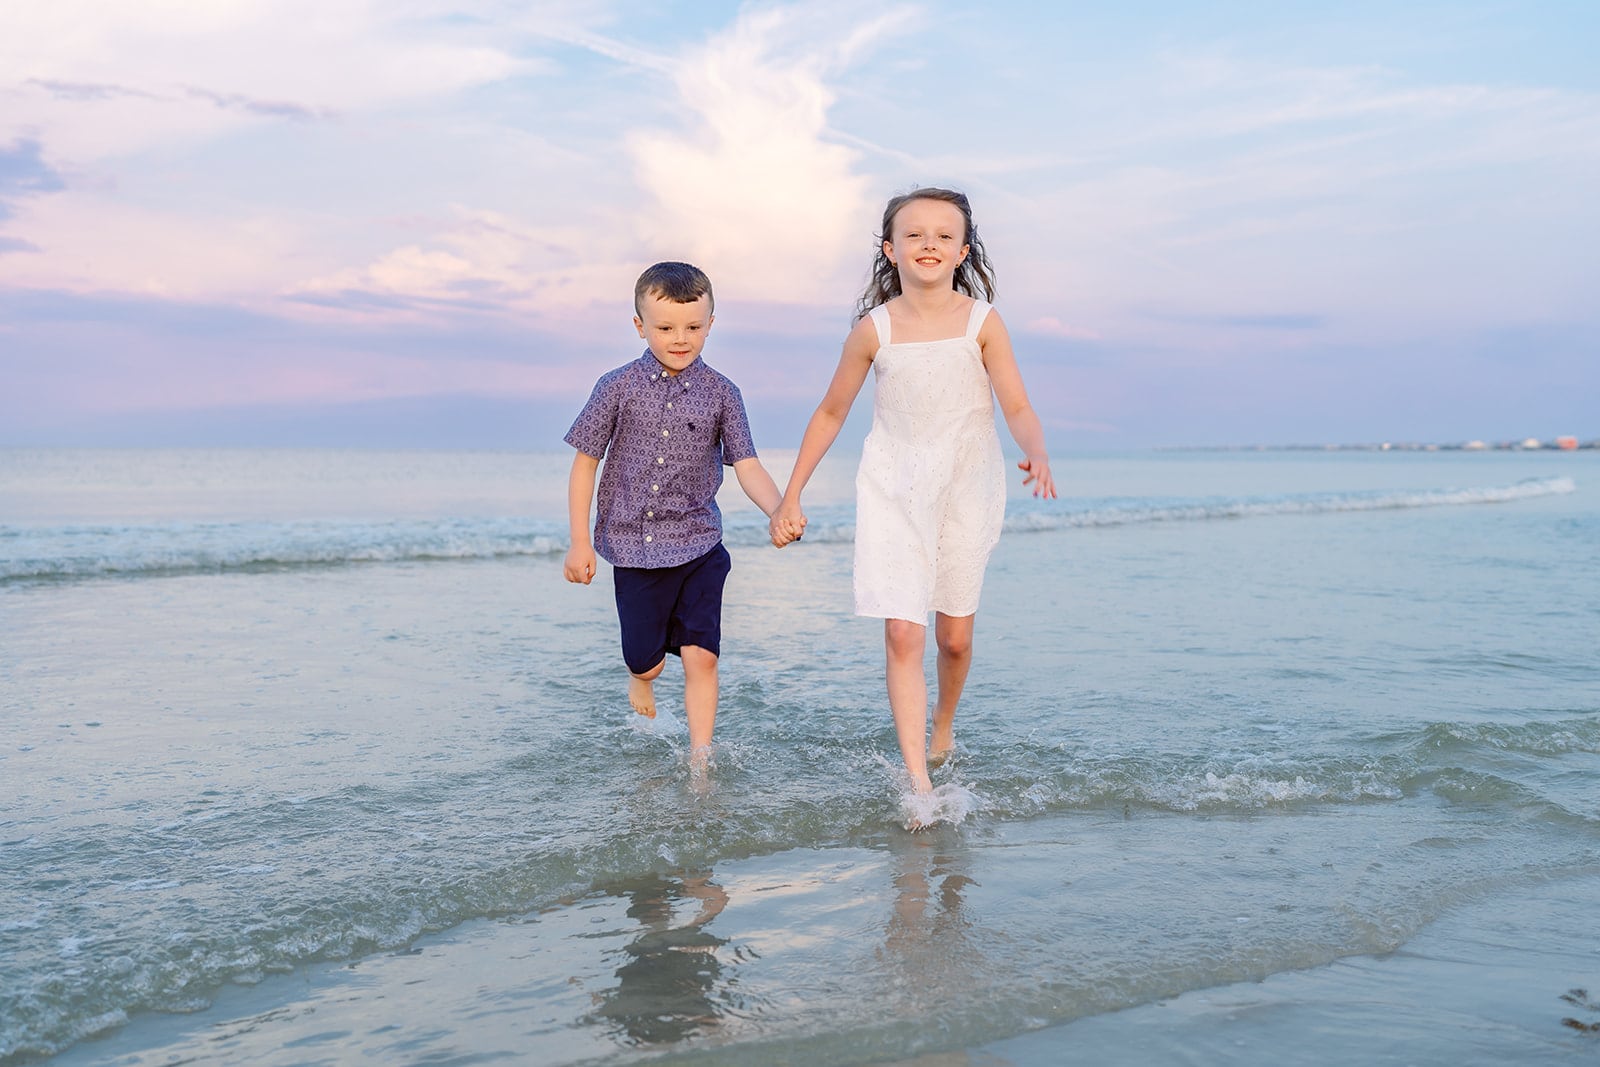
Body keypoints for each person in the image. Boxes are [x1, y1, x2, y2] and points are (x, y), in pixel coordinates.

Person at [770, 187, 1055, 811]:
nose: (929, 244)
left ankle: (943, 723)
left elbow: (1017, 404)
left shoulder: (983, 323)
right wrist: (791, 494)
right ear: (890, 249)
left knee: (953, 640)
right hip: (893, 487)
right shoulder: (873, 330)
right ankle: (918, 782)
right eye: (915, 234)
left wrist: (1035, 448)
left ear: (963, 251)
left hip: (965, 486)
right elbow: (830, 412)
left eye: (944, 235)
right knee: (903, 633)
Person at [565, 261, 784, 767]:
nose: (680, 339)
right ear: (640, 326)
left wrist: (777, 509)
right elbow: (585, 464)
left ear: (710, 324)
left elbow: (747, 464)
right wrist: (579, 542)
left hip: (700, 544)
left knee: (701, 657)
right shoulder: (616, 386)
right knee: (647, 663)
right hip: (634, 549)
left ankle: (700, 759)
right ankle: (640, 676)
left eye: (692, 327)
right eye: (665, 328)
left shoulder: (723, 393)